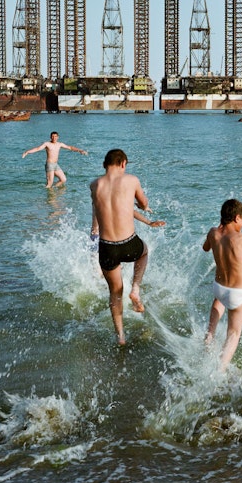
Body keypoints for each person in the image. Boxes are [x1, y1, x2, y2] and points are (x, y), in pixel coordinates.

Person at [90, 148, 160, 345]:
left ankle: (120, 336)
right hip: (128, 243)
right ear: (123, 164)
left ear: (105, 165)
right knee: (144, 251)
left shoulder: (94, 185)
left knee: (115, 292)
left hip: (106, 247)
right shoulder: (131, 180)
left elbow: (102, 209)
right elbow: (143, 203)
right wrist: (144, 208)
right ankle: (136, 289)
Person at [203, 199, 242, 371]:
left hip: (219, 287)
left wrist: (220, 227)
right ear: (237, 218)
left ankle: (209, 336)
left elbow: (205, 248)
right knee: (233, 333)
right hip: (237, 293)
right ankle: (220, 370)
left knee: (219, 301)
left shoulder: (212, 233)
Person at [22, 131, 88, 187]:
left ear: (58, 137)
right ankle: (48, 199)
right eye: (52, 136)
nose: (54, 138)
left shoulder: (59, 144)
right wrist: (27, 152)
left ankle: (53, 189)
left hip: (56, 165)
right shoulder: (47, 144)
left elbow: (70, 147)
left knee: (63, 179)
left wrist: (80, 150)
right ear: (50, 137)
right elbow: (37, 149)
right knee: (49, 183)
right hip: (49, 165)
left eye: (55, 136)